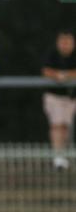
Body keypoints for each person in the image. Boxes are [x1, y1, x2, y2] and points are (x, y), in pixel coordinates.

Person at [41, 30, 76, 170]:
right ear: (58, 42)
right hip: (54, 96)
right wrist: (60, 76)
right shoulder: (52, 54)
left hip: (70, 97)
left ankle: (63, 155)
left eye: (68, 42)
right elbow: (46, 71)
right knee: (57, 125)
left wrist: (64, 75)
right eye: (63, 41)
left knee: (66, 127)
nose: (65, 45)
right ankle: (58, 157)